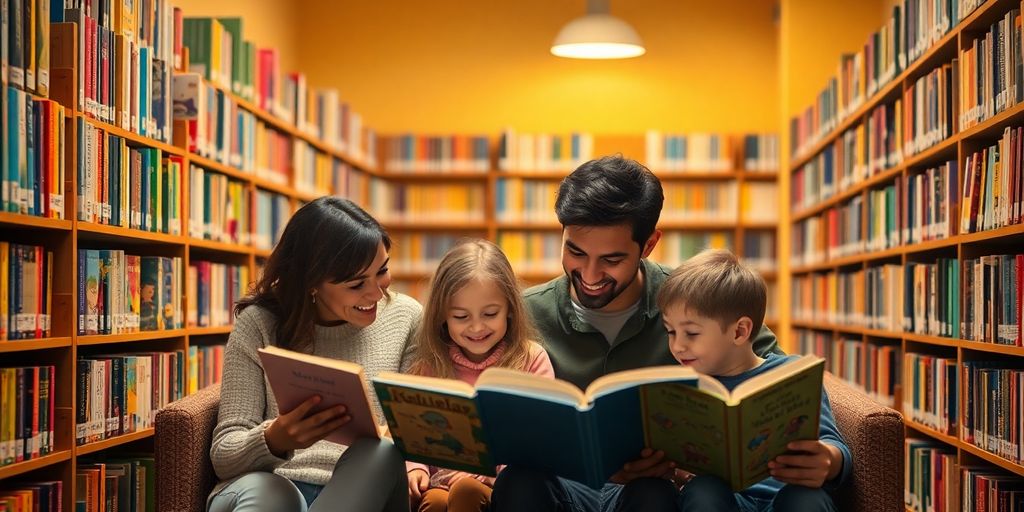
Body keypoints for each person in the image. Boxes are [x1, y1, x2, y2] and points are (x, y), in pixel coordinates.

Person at [491, 155, 783, 511]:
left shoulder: (697, 303)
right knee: (517, 483)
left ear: (648, 245)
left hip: (654, 491)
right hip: (559, 490)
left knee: (652, 495)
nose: (590, 274)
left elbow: (772, 381)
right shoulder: (523, 312)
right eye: (575, 252)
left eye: (611, 260)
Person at [207, 197, 421, 512]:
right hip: (273, 484)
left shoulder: (406, 317)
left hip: (365, 486)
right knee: (269, 495)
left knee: (379, 452)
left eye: (382, 271)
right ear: (312, 284)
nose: (377, 292)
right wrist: (274, 438)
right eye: (356, 284)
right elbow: (224, 456)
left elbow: (416, 433)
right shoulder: (260, 324)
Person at [659, 249, 850, 511]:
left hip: (785, 497)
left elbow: (833, 443)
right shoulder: (682, 390)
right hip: (726, 501)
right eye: (670, 331)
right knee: (704, 490)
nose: (677, 345)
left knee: (806, 498)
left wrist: (830, 459)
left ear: (740, 331)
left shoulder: (791, 374)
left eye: (691, 333)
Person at [405, 239, 555, 512]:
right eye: (461, 317)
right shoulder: (430, 366)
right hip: (439, 485)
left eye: (490, 313)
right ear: (442, 316)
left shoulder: (530, 359)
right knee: (436, 502)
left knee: (467, 491)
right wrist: (415, 469)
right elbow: (411, 433)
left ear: (510, 307)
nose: (476, 327)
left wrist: (489, 473)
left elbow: (539, 438)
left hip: (501, 487)